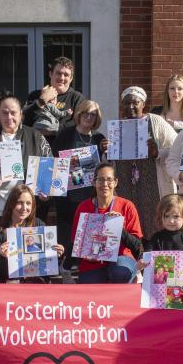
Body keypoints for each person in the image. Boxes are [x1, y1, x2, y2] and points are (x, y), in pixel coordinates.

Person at [0, 91, 51, 273]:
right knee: (1, 259)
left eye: (13, 112)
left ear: (21, 114)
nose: (9, 117)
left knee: (29, 260)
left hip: (25, 212)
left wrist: (46, 190)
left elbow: (49, 167)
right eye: (4, 112)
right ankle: (2, 297)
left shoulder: (35, 137)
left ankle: (26, 299)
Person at [51, 100, 109, 281]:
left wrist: (108, 151)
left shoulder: (99, 139)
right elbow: (55, 162)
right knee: (68, 232)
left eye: (92, 115)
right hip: (68, 195)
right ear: (78, 114)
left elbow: (106, 166)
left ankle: (83, 269)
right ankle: (65, 266)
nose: (88, 117)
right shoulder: (65, 135)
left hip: (90, 195)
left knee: (87, 233)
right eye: (86, 113)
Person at [114, 86, 177, 240]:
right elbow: (111, 162)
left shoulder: (155, 121)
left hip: (153, 183)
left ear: (143, 104)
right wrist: (106, 150)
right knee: (130, 220)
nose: (130, 107)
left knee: (155, 221)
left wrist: (158, 153)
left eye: (135, 103)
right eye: (126, 103)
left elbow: (177, 148)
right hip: (126, 184)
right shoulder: (118, 127)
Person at [70, 162, 143, 284]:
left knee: (120, 272)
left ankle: (134, 275)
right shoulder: (83, 207)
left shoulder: (127, 206)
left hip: (122, 257)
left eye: (109, 180)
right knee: (89, 284)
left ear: (115, 182)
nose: (105, 184)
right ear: (94, 182)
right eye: (101, 180)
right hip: (92, 259)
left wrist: (119, 229)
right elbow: (76, 242)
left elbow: (137, 244)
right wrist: (86, 255)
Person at [0, 185, 64, 283]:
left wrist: (56, 255)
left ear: (33, 206)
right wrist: (3, 256)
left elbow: (50, 269)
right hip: (11, 282)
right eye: (19, 203)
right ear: (11, 203)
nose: (24, 208)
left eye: (28, 203)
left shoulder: (39, 225)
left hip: (38, 281)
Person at [23, 56, 85, 143]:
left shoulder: (77, 98)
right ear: (50, 74)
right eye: (58, 73)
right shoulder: (35, 95)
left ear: (71, 79)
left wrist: (51, 130)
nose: (62, 78)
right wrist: (41, 101)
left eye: (66, 75)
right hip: (37, 149)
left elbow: (78, 123)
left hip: (64, 150)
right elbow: (24, 119)